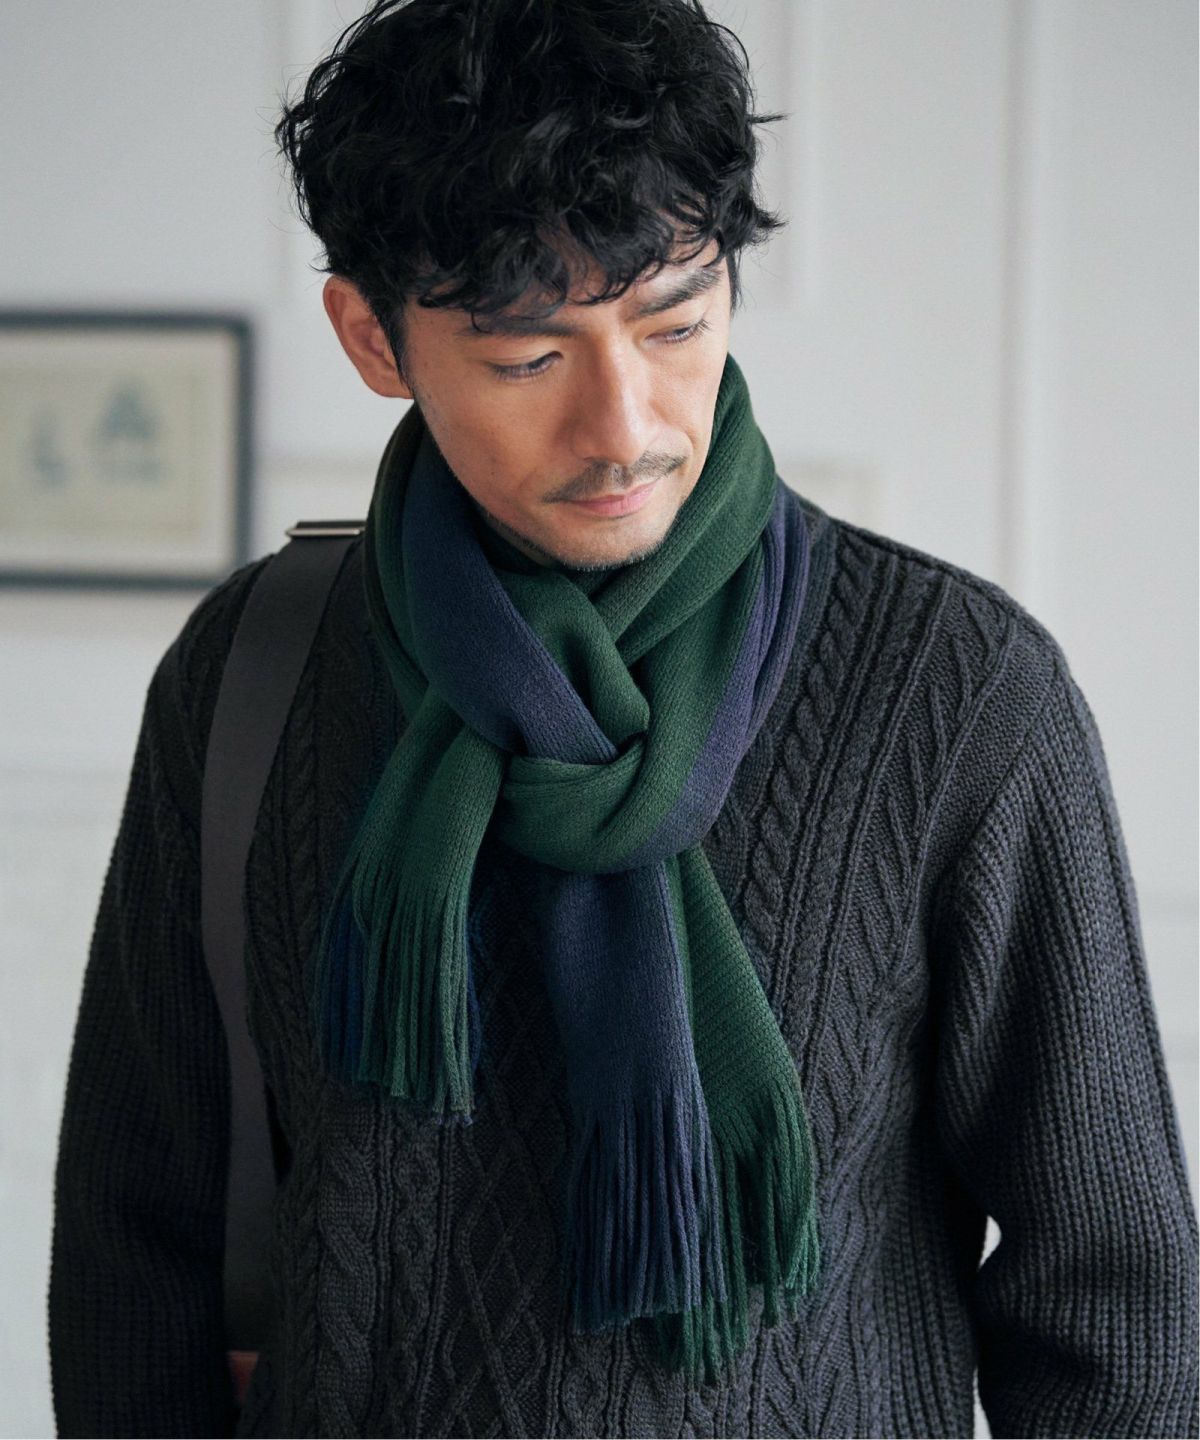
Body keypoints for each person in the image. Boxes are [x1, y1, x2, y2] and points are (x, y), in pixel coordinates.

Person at [48, 0, 1198, 1435]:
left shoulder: (956, 692)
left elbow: (1114, 1300)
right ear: (371, 337)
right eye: (528, 358)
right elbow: (135, 1241)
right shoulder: (253, 672)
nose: (627, 426)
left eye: (676, 323)